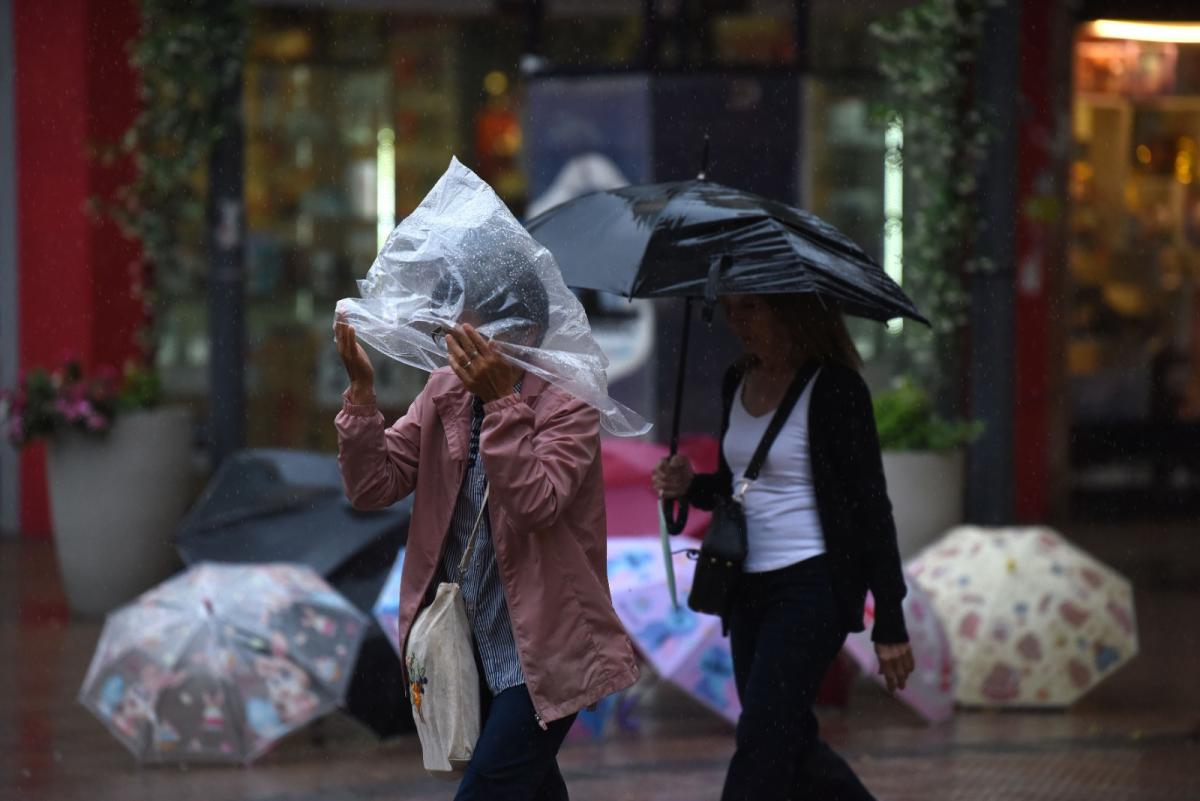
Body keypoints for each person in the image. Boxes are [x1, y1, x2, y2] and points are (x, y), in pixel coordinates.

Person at [334, 267, 638, 801]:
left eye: (466, 328)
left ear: (518, 333)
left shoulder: (568, 402)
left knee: (489, 789)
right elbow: (373, 486)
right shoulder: (445, 391)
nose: (451, 340)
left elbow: (535, 503)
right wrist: (361, 396)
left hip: (543, 650)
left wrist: (503, 405)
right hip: (469, 645)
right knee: (529, 788)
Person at [653, 293, 915, 801]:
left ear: (790, 309)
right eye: (730, 308)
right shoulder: (738, 379)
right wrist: (691, 485)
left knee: (762, 737)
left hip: (812, 585)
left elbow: (871, 511)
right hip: (747, 584)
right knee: (786, 737)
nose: (737, 321)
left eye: (752, 308)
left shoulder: (837, 389)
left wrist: (890, 618)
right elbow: (739, 488)